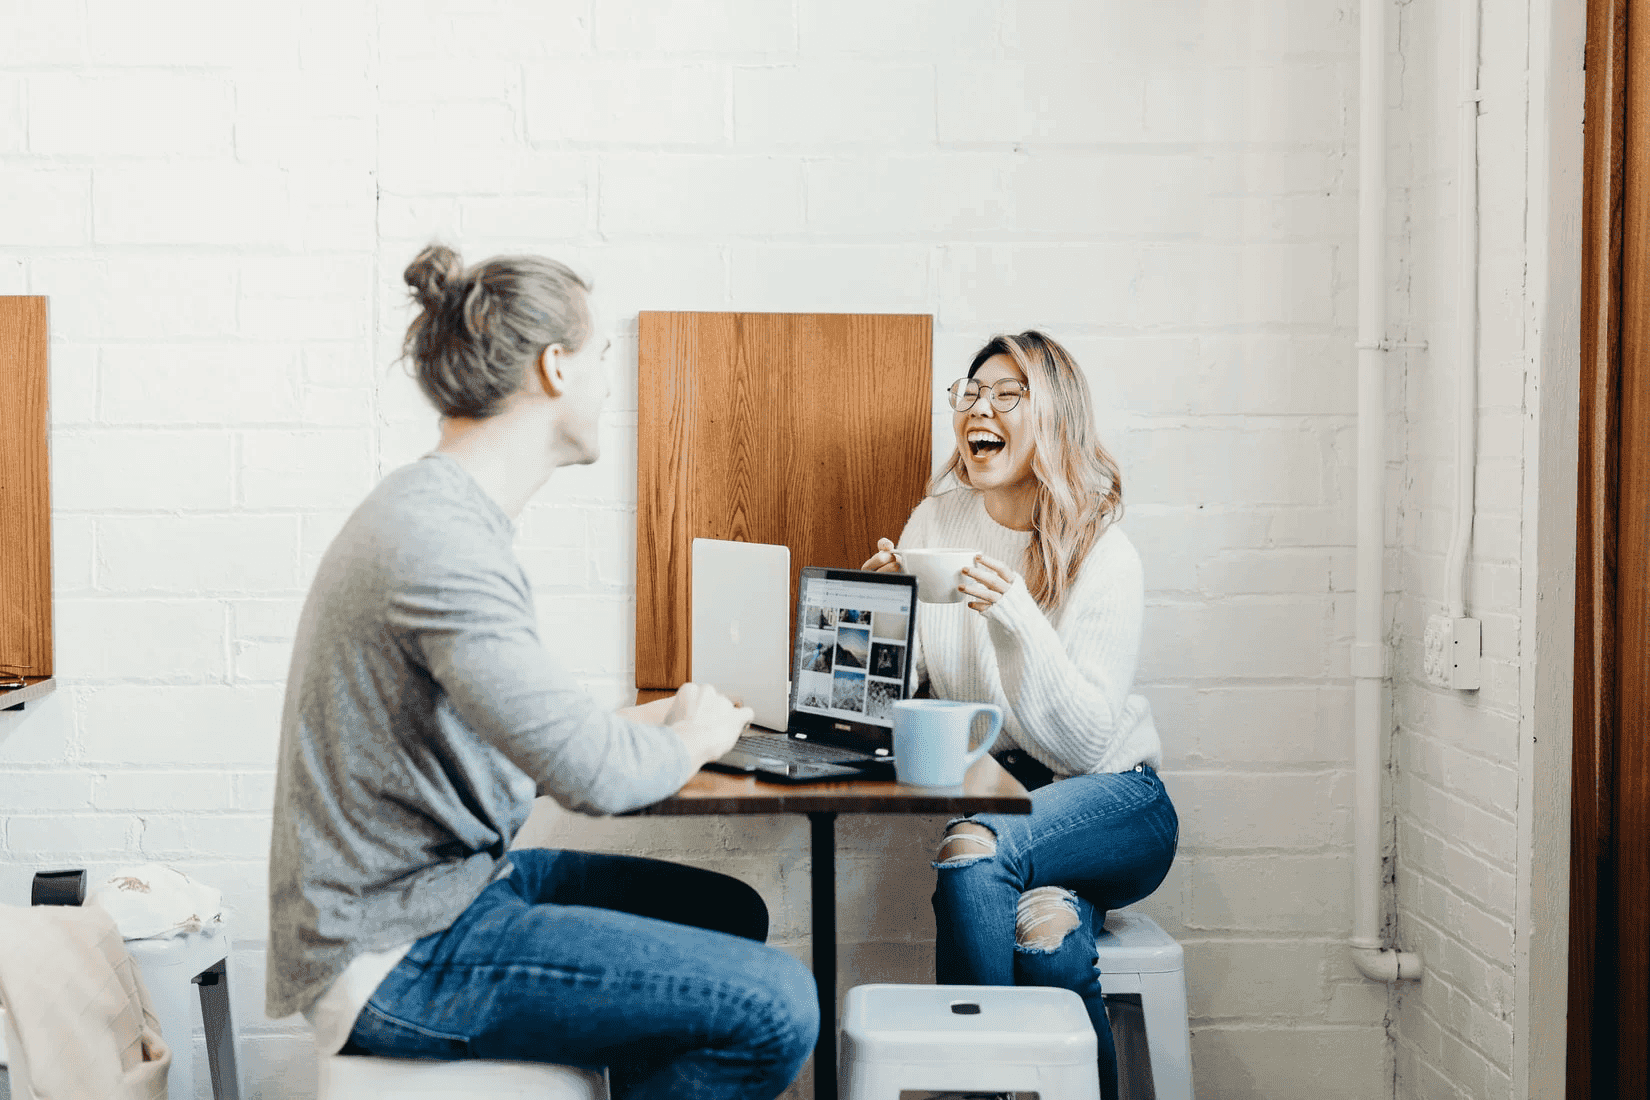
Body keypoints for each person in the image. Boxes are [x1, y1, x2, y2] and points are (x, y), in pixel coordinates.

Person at [266, 244, 818, 1100]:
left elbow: (538, 739)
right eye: (602, 358)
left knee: (731, 914)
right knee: (778, 1006)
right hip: (395, 951)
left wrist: (662, 721)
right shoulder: (439, 545)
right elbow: (590, 774)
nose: (609, 380)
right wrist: (696, 736)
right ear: (556, 368)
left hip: (446, 895)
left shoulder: (446, 517)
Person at [861, 330, 1176, 1100]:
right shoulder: (934, 524)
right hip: (1013, 801)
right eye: (970, 393)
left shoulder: (1103, 550)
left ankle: (972, 1090)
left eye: (1008, 394)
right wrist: (883, 620)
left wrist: (1016, 612)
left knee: (970, 846)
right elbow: (916, 697)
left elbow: (1083, 739)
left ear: (1054, 418)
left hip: (1116, 801)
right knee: (1048, 937)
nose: (981, 408)